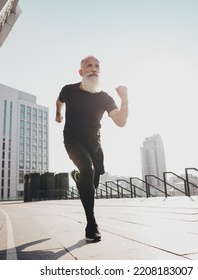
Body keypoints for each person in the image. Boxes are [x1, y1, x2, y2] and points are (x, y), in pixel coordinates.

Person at [55, 55, 129, 242]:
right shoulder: (68, 90)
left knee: (92, 184)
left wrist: (124, 99)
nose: (93, 69)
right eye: (89, 66)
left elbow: (120, 122)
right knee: (88, 169)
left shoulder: (104, 98)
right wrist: (58, 114)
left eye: (97, 66)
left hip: (94, 146)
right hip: (73, 141)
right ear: (81, 72)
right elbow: (59, 101)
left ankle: (78, 178)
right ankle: (91, 225)